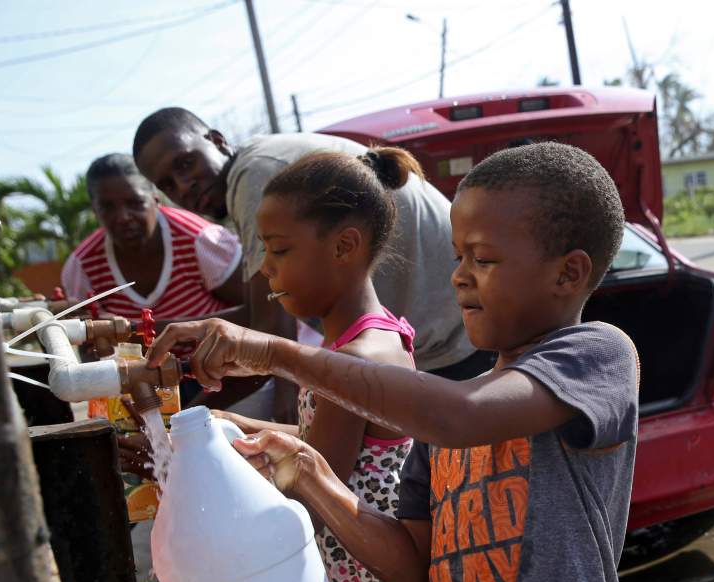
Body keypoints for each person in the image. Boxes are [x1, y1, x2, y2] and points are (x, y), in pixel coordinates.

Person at [148, 142, 655, 582]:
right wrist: (307, 472)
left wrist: (275, 353)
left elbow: (462, 416)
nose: (460, 277)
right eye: (459, 256)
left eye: (485, 259)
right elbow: (413, 570)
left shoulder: (594, 356)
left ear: (569, 273)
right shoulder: (441, 424)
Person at [213, 146, 441, 582]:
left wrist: (214, 466)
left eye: (279, 250)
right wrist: (230, 433)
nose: (264, 268)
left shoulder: (358, 363)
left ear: (344, 246)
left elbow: (312, 480)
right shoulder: (359, 344)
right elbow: (313, 445)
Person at [131, 109, 481, 402]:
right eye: (168, 185)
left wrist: (187, 421)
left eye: (185, 164)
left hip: (455, 342)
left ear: (217, 140)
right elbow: (262, 318)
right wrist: (143, 331)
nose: (183, 186)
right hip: (450, 331)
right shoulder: (257, 165)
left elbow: (271, 328)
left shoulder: (255, 176)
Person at [62, 153, 243, 323]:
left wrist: (146, 332)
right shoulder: (82, 267)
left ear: (156, 200)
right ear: (95, 212)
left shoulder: (200, 240)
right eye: (107, 207)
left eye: (135, 203)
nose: (123, 217)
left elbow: (252, 312)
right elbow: (88, 343)